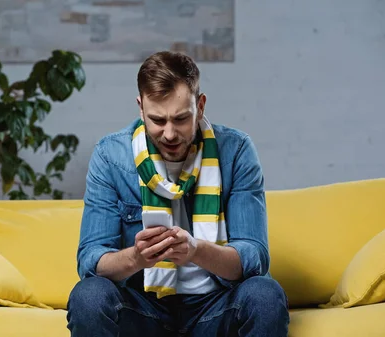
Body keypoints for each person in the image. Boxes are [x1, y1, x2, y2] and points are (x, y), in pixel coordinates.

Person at [67, 51, 289, 336]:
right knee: (89, 295)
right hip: (143, 306)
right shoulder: (110, 156)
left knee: (265, 295)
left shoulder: (236, 151)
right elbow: (91, 260)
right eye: (157, 120)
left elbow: (254, 258)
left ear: (201, 106)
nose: (169, 134)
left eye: (181, 119)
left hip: (215, 307)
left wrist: (196, 251)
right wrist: (136, 257)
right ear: (141, 108)